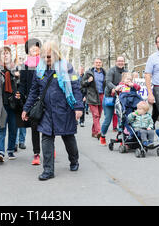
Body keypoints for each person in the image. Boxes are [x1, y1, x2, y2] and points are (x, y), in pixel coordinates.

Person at [22, 40, 83, 181]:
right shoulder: (39, 70)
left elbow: (75, 87)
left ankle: (74, 160)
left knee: (68, 137)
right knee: (46, 138)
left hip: (65, 109)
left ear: (55, 54)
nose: (45, 59)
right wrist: (26, 108)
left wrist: (79, 107)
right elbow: (33, 91)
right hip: (46, 111)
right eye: (43, 56)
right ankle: (48, 170)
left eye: (48, 56)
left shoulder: (67, 67)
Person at [17, 38, 42, 165]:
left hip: (45, 99)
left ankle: (50, 148)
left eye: (36, 47)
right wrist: (20, 94)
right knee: (34, 128)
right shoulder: (25, 66)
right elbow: (22, 84)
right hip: (31, 101)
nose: (34, 49)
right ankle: (36, 153)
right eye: (32, 47)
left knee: (49, 127)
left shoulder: (45, 63)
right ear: (28, 50)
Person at [0, 46, 20, 162]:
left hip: (14, 103)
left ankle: (10, 150)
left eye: (7, 53)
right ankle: (0, 151)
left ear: (11, 55)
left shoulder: (16, 70)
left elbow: (21, 86)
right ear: (0, 56)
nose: (5, 55)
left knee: (13, 129)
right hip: (2, 103)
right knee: (1, 128)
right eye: (3, 53)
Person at [100, 56, 127, 145]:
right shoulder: (111, 71)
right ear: (116, 62)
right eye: (119, 61)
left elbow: (128, 81)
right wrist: (115, 88)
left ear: (124, 62)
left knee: (121, 119)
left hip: (121, 98)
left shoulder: (126, 71)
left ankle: (121, 139)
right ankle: (102, 135)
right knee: (108, 119)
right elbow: (108, 82)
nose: (120, 62)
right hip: (110, 97)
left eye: (122, 61)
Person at [81, 58, 106, 139]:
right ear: (94, 64)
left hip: (101, 95)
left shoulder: (104, 72)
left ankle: (93, 132)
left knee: (98, 115)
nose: (98, 64)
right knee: (95, 115)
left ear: (101, 64)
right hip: (92, 95)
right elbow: (82, 84)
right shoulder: (89, 73)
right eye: (96, 62)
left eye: (99, 62)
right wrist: (88, 81)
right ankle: (99, 131)